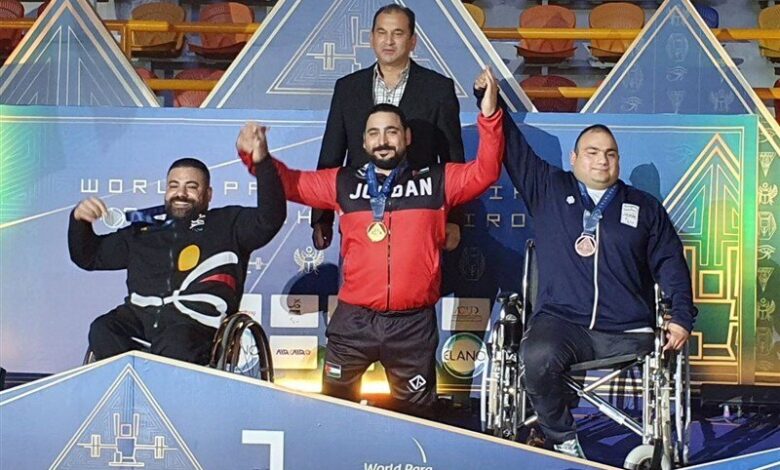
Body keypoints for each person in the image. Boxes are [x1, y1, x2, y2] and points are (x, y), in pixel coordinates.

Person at [236, 67, 504, 419]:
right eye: (374, 133)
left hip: (412, 326)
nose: (383, 140)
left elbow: (486, 171)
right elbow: (290, 183)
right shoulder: (344, 182)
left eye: (391, 131)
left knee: (416, 423)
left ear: (407, 137)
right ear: (363, 143)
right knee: (333, 417)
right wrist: (256, 158)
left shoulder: (438, 181)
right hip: (354, 322)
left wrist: (489, 114)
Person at [477, 78, 697, 458]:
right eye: (592, 152)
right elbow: (514, 148)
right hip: (562, 322)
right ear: (574, 158)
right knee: (537, 355)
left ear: (618, 160)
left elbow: (670, 262)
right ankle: (562, 439)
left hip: (627, 327)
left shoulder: (643, 207)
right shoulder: (547, 188)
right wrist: (490, 100)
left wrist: (680, 317)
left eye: (610, 153)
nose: (602, 160)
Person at [68, 156, 285, 365]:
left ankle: (155, 387)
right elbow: (88, 257)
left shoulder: (228, 224)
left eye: (191, 187)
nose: (181, 193)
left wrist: (262, 163)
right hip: (139, 320)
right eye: (174, 186)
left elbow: (269, 219)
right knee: (103, 329)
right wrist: (80, 221)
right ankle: (131, 386)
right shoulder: (142, 231)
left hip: (197, 325)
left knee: (175, 341)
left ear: (208, 194)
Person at [312, 4, 464, 252]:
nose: (389, 41)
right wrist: (322, 218)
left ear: (413, 41)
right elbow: (331, 154)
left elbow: (453, 159)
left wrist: (454, 219)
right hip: (359, 212)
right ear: (371, 38)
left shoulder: (438, 89)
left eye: (398, 33)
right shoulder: (347, 88)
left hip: (418, 215)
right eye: (381, 32)